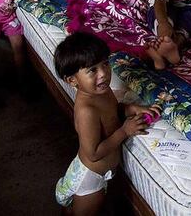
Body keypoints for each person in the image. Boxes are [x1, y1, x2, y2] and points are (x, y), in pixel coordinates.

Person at [53, 32, 160, 215]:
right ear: (72, 80)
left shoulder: (102, 91)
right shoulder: (87, 110)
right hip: (91, 179)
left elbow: (112, 111)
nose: (103, 74)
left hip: (103, 173)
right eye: (92, 70)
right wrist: (125, 131)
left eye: (105, 63)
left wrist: (130, 108)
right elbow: (93, 154)